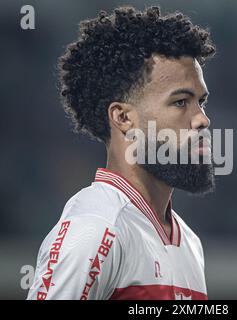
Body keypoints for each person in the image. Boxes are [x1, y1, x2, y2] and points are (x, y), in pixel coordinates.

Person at [27, 5, 216, 300]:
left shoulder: (190, 242)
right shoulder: (94, 229)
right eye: (181, 102)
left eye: (201, 102)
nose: (202, 119)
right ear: (123, 118)